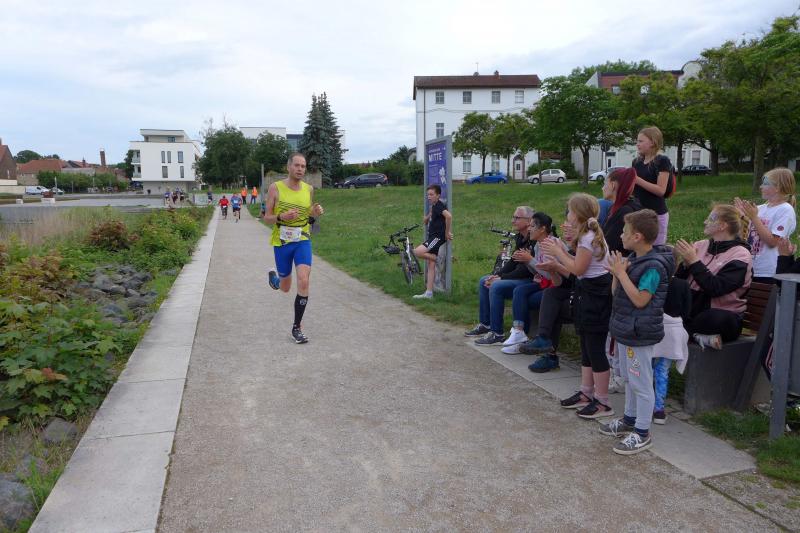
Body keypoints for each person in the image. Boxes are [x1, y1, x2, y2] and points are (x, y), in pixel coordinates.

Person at [600, 209, 674, 455]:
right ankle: (629, 419)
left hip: (639, 334)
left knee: (641, 383)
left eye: (625, 232)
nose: (621, 235)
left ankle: (643, 432)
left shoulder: (653, 266)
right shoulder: (634, 259)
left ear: (638, 236)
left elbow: (641, 300)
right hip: (626, 330)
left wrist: (622, 274)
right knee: (631, 380)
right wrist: (616, 274)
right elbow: (617, 293)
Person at [540, 193, 614, 418]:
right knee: (586, 347)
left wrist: (558, 253)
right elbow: (578, 267)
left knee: (595, 349)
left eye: (570, 211)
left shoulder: (588, 237)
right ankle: (586, 392)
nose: (568, 215)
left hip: (596, 296)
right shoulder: (585, 235)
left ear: (579, 214)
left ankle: (602, 401)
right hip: (586, 294)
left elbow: (577, 269)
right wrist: (562, 249)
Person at [674, 204, 753, 350]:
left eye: (711, 219)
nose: (705, 221)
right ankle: (694, 335)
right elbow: (679, 281)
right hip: (692, 310)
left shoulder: (741, 254)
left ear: (723, 226)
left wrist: (694, 262)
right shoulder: (700, 245)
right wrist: (684, 265)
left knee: (713, 318)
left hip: (722, 315)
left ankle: (685, 332)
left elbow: (716, 288)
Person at [265, 153, 324, 344]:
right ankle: (275, 280)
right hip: (282, 242)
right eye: (297, 165)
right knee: (285, 287)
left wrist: (315, 213)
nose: (300, 169)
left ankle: (297, 328)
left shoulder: (309, 189)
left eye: (303, 166)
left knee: (304, 280)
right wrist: (281, 217)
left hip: (302, 239)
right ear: (288, 167)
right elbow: (266, 218)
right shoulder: (275, 188)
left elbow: (308, 215)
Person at [464, 207, 535, 344]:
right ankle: (486, 324)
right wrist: (496, 275)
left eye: (517, 218)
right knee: (484, 280)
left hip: (530, 279)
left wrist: (501, 278)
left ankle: (497, 333)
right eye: (513, 217)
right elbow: (513, 261)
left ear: (529, 221)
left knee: (496, 286)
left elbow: (525, 270)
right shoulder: (520, 237)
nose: (513, 221)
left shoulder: (533, 239)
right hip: (520, 277)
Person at [501, 212, 561, 354]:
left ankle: (522, 338)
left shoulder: (551, 244)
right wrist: (527, 261)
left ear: (542, 229)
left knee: (523, 298)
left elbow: (551, 274)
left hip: (554, 286)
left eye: (533, 226)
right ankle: (519, 332)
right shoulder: (538, 245)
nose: (529, 229)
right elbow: (537, 271)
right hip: (544, 284)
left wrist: (530, 260)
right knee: (519, 291)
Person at [734, 167, 797, 284]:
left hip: (769, 271)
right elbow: (743, 237)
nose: (761, 186)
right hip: (750, 268)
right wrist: (741, 218)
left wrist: (754, 217)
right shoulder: (760, 209)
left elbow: (772, 242)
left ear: (778, 187)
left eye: (765, 183)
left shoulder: (785, 210)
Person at [632, 126, 672, 245]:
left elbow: (661, 190)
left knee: (655, 249)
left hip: (656, 215)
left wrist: (638, 180)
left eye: (641, 141)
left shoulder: (662, 161)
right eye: (637, 141)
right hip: (638, 213)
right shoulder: (636, 162)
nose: (637, 144)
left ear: (652, 142)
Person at [412, 185, 452, 299]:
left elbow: (449, 216)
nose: (429, 197)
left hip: (437, 238)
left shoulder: (439, 205)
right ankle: (429, 293)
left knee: (417, 252)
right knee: (430, 265)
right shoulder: (434, 206)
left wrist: (447, 233)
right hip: (433, 237)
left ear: (438, 195)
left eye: (431, 194)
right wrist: (427, 217)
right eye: (428, 195)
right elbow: (433, 212)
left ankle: (437, 258)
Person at [602, 167, 642, 255]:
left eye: (604, 184)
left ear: (613, 185)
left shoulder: (625, 212)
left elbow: (609, 245)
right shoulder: (623, 205)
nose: (602, 188)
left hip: (618, 259)